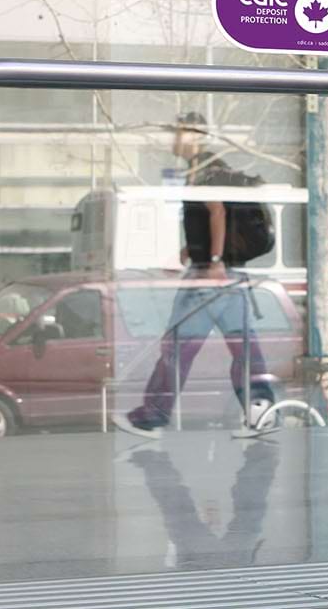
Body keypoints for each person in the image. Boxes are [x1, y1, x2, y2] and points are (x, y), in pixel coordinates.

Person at [117, 113, 269, 437]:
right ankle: (262, 412)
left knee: (179, 346)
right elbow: (207, 216)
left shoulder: (205, 169)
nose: (173, 140)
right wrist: (192, 248)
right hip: (221, 275)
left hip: (210, 278)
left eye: (178, 134)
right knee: (243, 347)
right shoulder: (202, 168)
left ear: (194, 136)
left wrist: (212, 260)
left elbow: (217, 211)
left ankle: (153, 415)